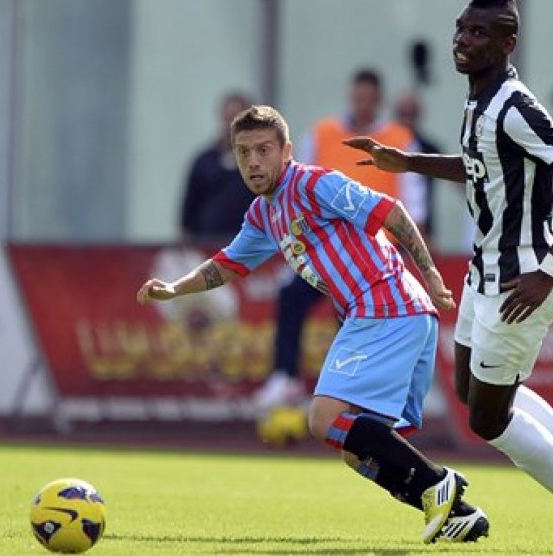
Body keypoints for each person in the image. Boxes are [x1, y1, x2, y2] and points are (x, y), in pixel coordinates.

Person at [343, 1, 553, 552]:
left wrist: (549, 272)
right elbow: (478, 164)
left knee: (487, 419)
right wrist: (407, 163)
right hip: (487, 273)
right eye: (461, 27)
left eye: (479, 31)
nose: (463, 38)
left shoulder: (515, 105)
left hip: (521, 279)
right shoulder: (479, 98)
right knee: (470, 391)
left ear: (507, 44)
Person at [137, 105, 489, 544]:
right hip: (398, 316)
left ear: (286, 151)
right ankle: (457, 512)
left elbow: (391, 210)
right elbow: (227, 265)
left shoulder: (313, 183)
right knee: (357, 449)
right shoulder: (265, 213)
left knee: (324, 419)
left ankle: (437, 486)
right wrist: (174, 289)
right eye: (243, 152)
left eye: (263, 150)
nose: (253, 162)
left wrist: (433, 275)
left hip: (386, 308)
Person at [253, 69, 429, 409]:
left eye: (369, 99)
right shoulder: (323, 134)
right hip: (327, 251)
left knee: (358, 321)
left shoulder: (399, 139)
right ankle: (285, 377)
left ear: (379, 100)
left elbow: (414, 206)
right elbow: (295, 186)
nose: (362, 105)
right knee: (291, 297)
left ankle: (351, 391)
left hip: (376, 257)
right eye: (357, 98)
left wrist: (414, 252)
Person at [180, 92, 255, 244]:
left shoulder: (264, 164)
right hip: (208, 251)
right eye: (228, 119)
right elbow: (189, 215)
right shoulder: (204, 162)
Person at [395, 91, 443, 236]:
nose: (407, 120)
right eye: (403, 114)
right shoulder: (386, 146)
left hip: (422, 229)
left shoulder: (428, 149)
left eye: (412, 114)